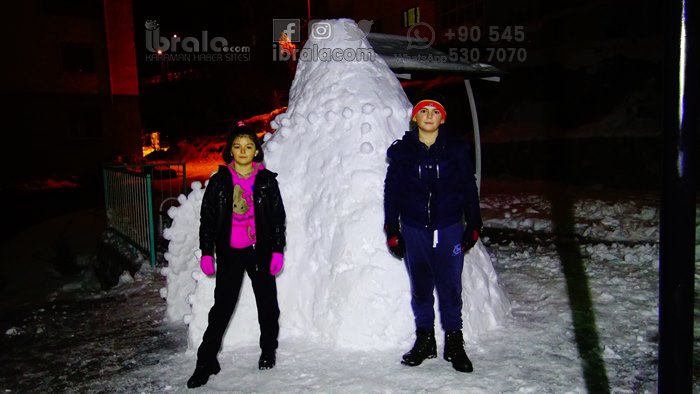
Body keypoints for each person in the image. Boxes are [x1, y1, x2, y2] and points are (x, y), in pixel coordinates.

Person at [383, 94, 483, 373]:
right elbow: (392, 191)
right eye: (423, 111)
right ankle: (425, 341)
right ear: (415, 118)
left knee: (450, 287)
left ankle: (454, 344)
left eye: (434, 111)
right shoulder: (403, 152)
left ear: (442, 119)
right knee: (421, 286)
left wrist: (474, 223)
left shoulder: (455, 149)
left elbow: (467, 186)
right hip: (414, 228)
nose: (429, 115)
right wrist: (392, 227)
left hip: (449, 225)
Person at [187, 122, 287, 389]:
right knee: (221, 308)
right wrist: (207, 253)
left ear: (256, 151)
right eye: (237, 146)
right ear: (230, 151)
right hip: (231, 252)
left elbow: (278, 219)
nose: (243, 150)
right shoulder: (219, 182)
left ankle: (268, 350)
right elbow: (207, 221)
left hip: (260, 252)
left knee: (267, 304)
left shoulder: (267, 182)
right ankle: (206, 360)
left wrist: (277, 249)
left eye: (248, 146)